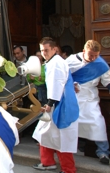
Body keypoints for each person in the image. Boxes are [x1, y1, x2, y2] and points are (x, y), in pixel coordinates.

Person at [32, 37, 79, 173]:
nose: (44, 53)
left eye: (46, 50)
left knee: (62, 139)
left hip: (61, 105)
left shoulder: (56, 63)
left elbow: (56, 83)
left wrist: (50, 104)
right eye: (42, 50)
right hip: (58, 102)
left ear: (54, 49)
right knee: (44, 133)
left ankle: (68, 169)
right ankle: (47, 162)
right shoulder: (53, 62)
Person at [66, 40, 110, 165]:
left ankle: (103, 152)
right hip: (73, 99)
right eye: (90, 55)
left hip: (90, 100)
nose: (93, 58)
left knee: (98, 124)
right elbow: (61, 77)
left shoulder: (100, 63)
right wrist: (70, 85)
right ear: (83, 51)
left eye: (96, 55)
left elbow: (107, 78)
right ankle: (67, 152)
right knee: (70, 126)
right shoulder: (70, 61)